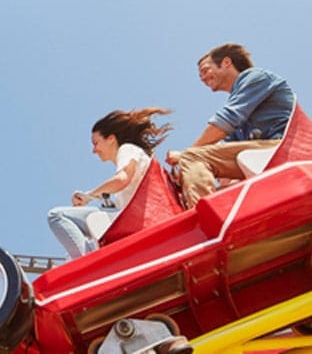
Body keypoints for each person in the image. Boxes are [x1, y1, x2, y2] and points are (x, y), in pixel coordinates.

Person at [166, 43, 296, 208]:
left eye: (205, 70)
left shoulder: (255, 77)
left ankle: (203, 222)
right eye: (200, 76)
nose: (203, 78)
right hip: (261, 153)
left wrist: (185, 155)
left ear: (226, 62)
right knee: (219, 187)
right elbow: (220, 151)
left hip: (281, 148)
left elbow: (225, 121)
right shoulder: (241, 112)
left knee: (192, 157)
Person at [47, 107, 171, 259]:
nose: (94, 150)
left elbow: (121, 179)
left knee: (57, 215)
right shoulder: (137, 157)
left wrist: (89, 196)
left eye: (96, 143)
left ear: (111, 138)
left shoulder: (127, 149)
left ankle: (87, 265)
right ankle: (87, 259)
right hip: (138, 222)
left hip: (135, 223)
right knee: (70, 254)